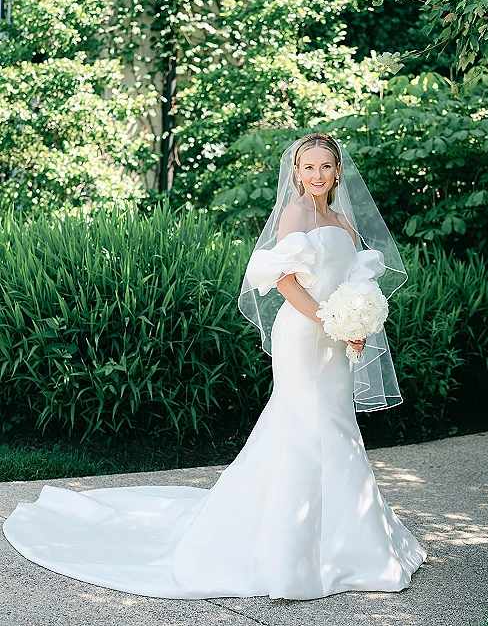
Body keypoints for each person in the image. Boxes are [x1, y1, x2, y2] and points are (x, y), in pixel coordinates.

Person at [3, 133, 426, 600]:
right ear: (296, 173)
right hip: (304, 335)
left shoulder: (344, 222)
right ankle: (290, 553)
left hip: (335, 340)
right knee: (305, 424)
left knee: (338, 423)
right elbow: (283, 281)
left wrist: (357, 319)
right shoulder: (294, 215)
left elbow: (353, 279)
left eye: (326, 167)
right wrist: (330, 319)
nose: (318, 176)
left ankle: (351, 544)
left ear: (338, 170)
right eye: (309, 168)